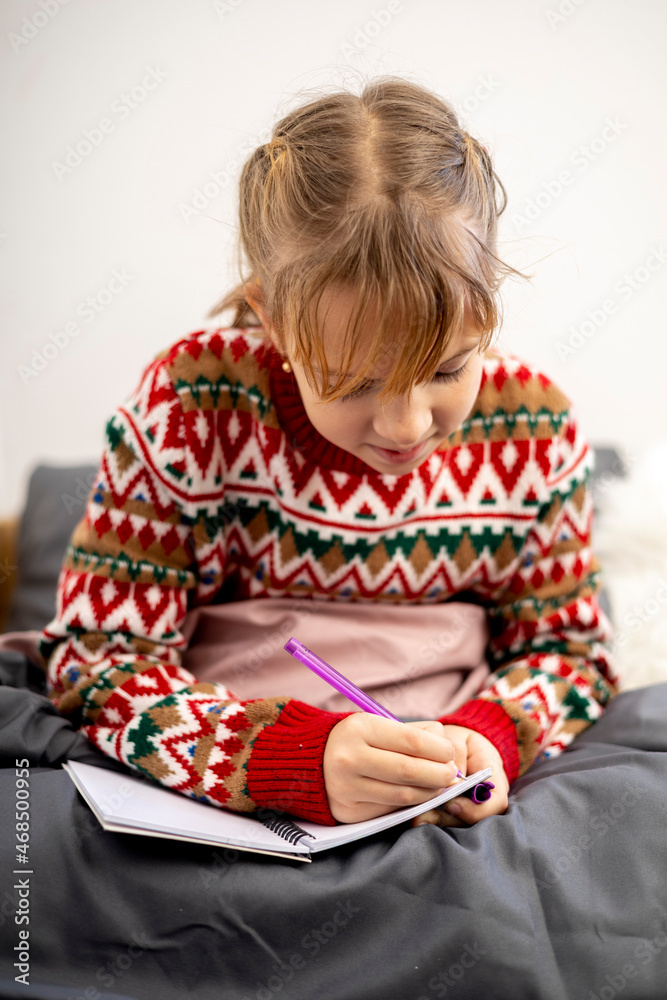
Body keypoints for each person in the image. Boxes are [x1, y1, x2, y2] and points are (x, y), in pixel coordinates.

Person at [39, 76, 619, 831]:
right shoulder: (192, 404)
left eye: (446, 369)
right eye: (350, 382)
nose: (407, 426)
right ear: (271, 320)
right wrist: (286, 759)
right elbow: (99, 657)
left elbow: (569, 651)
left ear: (488, 309)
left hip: (443, 766)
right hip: (242, 744)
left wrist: (490, 736)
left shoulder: (534, 427)